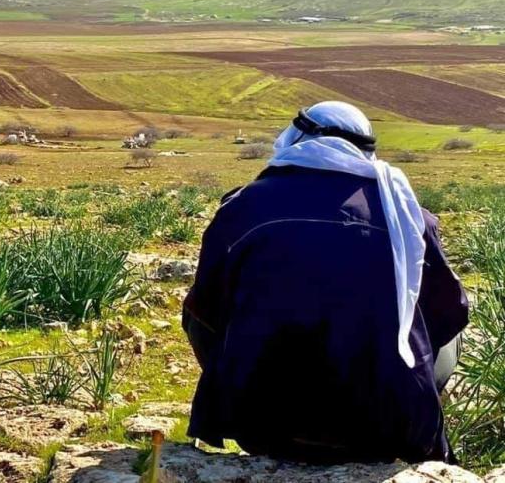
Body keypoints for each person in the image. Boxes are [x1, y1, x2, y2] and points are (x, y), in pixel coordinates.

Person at [183, 101, 468, 465]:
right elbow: (449, 312)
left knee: (197, 311)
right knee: (442, 321)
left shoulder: (244, 206)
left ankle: (240, 397)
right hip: (387, 428)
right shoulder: (408, 215)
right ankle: (410, 405)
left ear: (296, 140)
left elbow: (207, 306)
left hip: (263, 421)